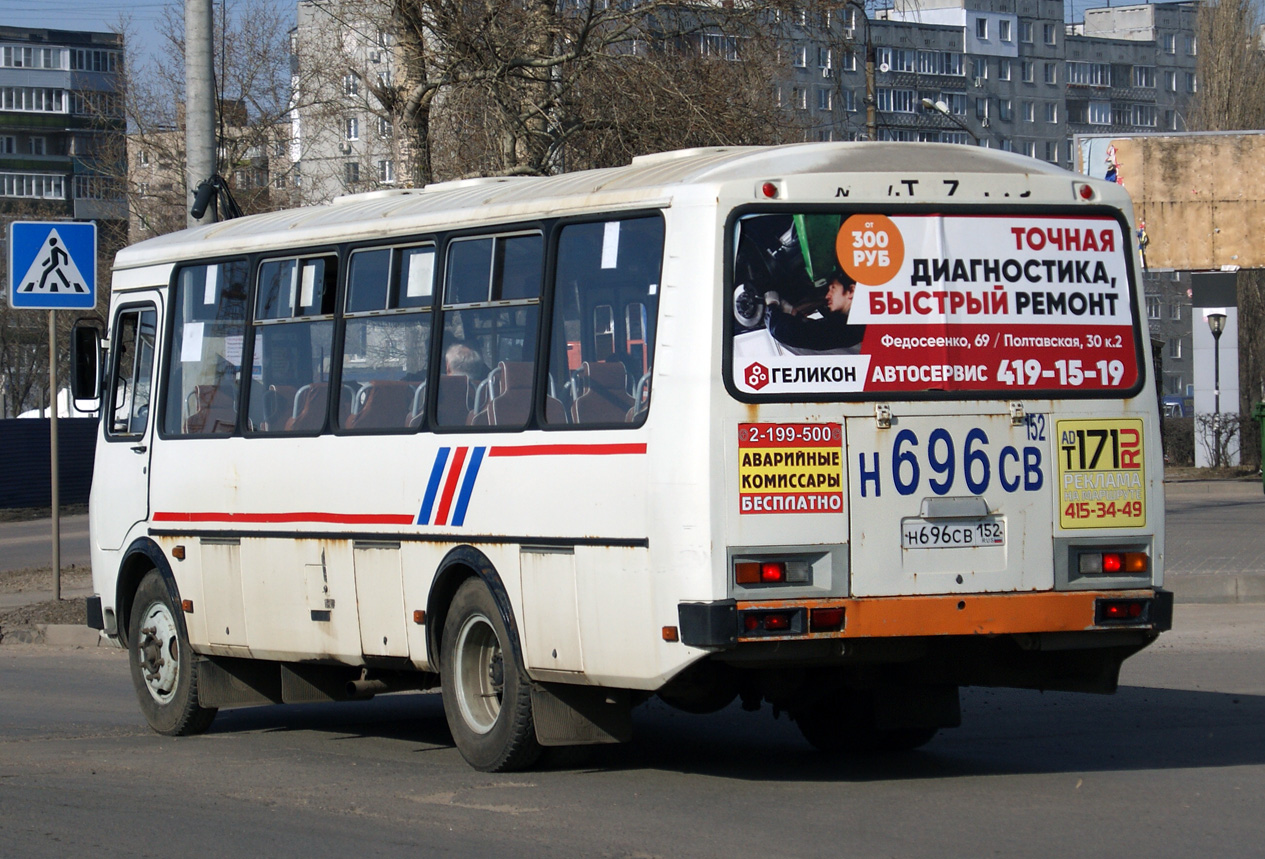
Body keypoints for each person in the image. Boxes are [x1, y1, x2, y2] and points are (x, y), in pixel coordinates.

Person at [763, 270, 865, 354]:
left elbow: (786, 332)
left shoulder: (854, 326)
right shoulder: (855, 323)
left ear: (851, 291)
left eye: (833, 288)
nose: (827, 295)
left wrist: (772, 305)